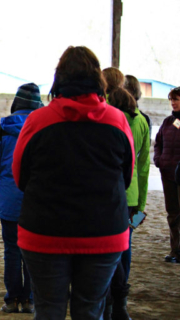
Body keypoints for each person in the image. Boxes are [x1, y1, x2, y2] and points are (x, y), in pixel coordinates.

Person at [12, 46, 134, 319]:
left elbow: (20, 176)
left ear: (59, 78)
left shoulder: (37, 121)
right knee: (91, 310)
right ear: (98, 79)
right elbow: (126, 176)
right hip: (104, 233)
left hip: (45, 232)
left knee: (48, 310)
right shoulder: (118, 121)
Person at [0, 83, 42, 314]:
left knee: (11, 251)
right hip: (36, 203)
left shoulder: (5, 128)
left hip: (9, 201)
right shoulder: (44, 128)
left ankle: (12, 299)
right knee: (33, 252)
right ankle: (29, 299)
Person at [102, 69, 149, 319]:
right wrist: (141, 205)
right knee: (124, 248)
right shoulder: (141, 120)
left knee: (107, 252)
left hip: (110, 193)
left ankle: (110, 302)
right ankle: (120, 302)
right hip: (132, 197)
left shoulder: (107, 115)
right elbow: (143, 167)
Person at [154, 86, 180, 264]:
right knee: (172, 213)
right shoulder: (167, 122)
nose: (173, 102)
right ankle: (175, 250)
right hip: (168, 173)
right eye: (172, 99)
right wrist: (159, 160)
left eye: (176, 99)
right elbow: (158, 143)